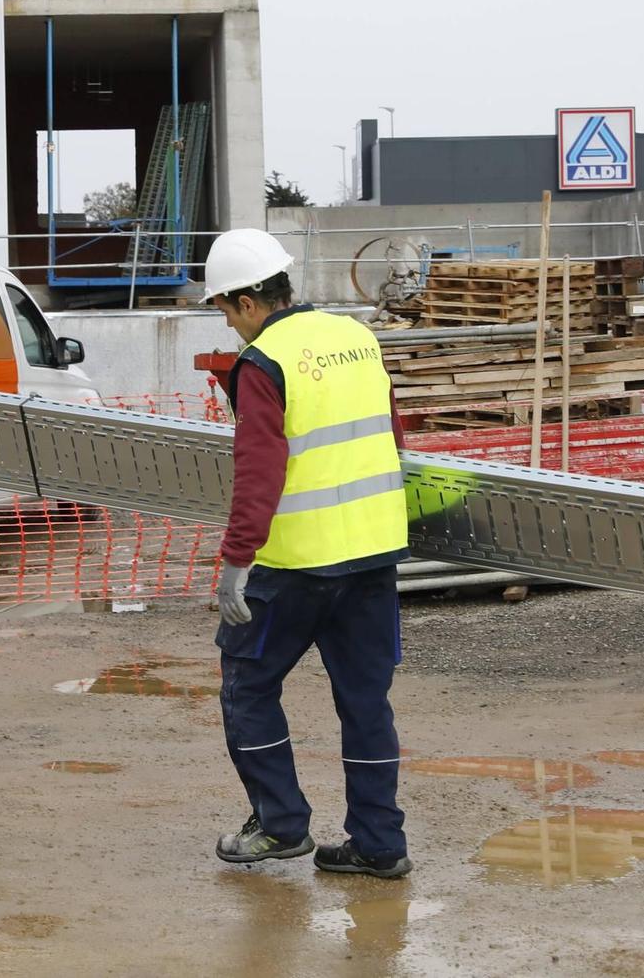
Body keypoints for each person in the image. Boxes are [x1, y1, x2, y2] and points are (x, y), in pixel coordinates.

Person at [203, 227, 412, 879]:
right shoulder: (357, 337)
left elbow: (259, 468)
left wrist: (237, 559)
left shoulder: (264, 361)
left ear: (245, 301)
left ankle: (280, 823)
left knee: (247, 685)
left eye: (225, 312)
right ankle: (379, 844)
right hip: (373, 555)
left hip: (296, 566)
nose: (232, 326)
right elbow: (392, 435)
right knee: (365, 701)